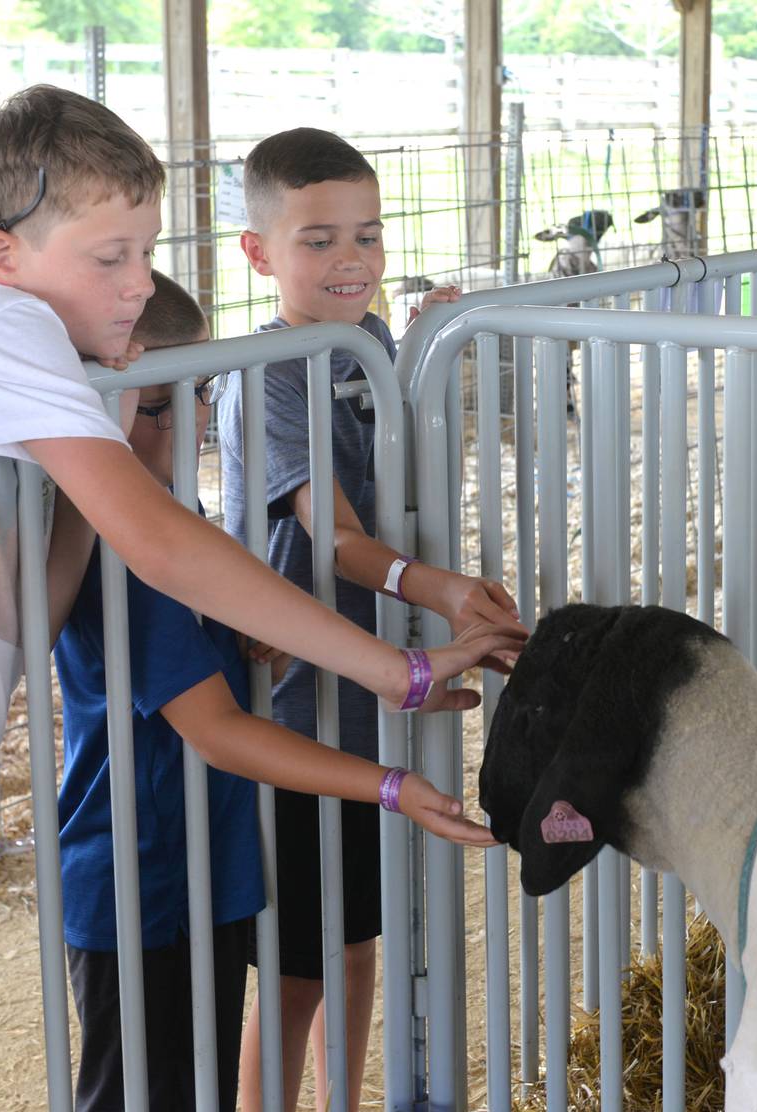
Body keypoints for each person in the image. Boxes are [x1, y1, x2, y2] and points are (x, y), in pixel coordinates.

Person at [0, 88, 523, 1112]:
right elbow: (166, 542)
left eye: (145, 250)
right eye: (110, 257)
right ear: (2, 256)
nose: (141, 283)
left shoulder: (17, 372)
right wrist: (393, 667)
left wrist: (98, 411)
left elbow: (33, 615)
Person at [54, 274, 496, 1112]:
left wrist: (260, 648)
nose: (187, 424)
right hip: (141, 887)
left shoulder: (181, 521)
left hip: (205, 872)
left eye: (198, 394)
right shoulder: (129, 550)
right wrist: (392, 785)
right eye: (157, 407)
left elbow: (228, 661)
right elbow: (215, 730)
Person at [217, 127, 526, 1112]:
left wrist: (432, 340)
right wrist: (435, 589)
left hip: (366, 703)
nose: (351, 260)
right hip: (300, 702)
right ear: (258, 252)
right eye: (318, 240)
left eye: (368, 234)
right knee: (299, 963)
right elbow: (334, 536)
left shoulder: (372, 353)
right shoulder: (271, 372)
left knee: (355, 944)